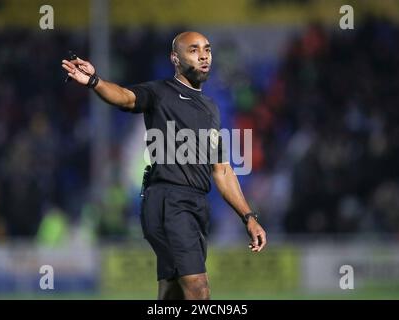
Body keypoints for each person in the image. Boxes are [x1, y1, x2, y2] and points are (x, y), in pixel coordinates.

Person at [61, 31, 267, 300]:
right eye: (193, 50)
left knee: (172, 293)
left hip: (193, 204)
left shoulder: (210, 109)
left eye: (207, 49)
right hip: (169, 201)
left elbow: (222, 170)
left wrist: (248, 217)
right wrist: (94, 81)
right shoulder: (160, 93)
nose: (203, 55)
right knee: (198, 288)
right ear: (175, 59)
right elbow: (124, 96)